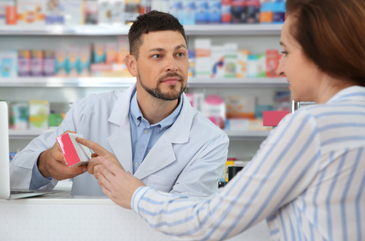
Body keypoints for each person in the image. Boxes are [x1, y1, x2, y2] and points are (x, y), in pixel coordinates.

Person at [78, 0, 365, 240]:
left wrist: (136, 194)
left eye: (285, 51)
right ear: (132, 65)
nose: (280, 67)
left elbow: (211, 220)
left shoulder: (313, 127)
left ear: (321, 53)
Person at [10, 11, 229, 197]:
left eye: (179, 54)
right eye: (157, 56)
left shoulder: (210, 140)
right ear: (132, 65)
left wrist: (124, 184)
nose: (172, 65)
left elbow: (186, 217)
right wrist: (45, 164)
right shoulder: (87, 112)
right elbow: (11, 175)